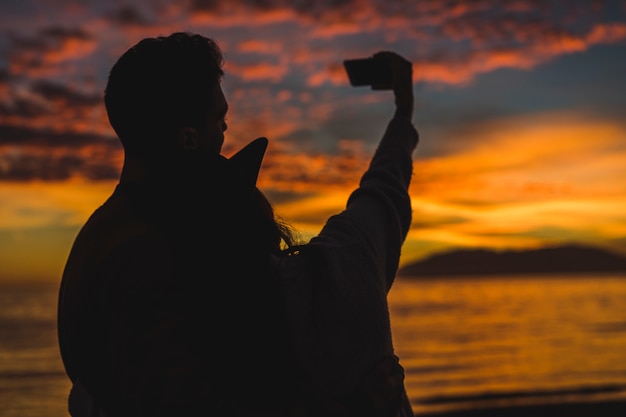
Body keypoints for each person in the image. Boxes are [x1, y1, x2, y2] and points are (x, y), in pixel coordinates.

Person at [57, 32, 418, 417]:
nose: (225, 131)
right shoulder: (170, 249)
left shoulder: (96, 239)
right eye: (220, 119)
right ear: (189, 139)